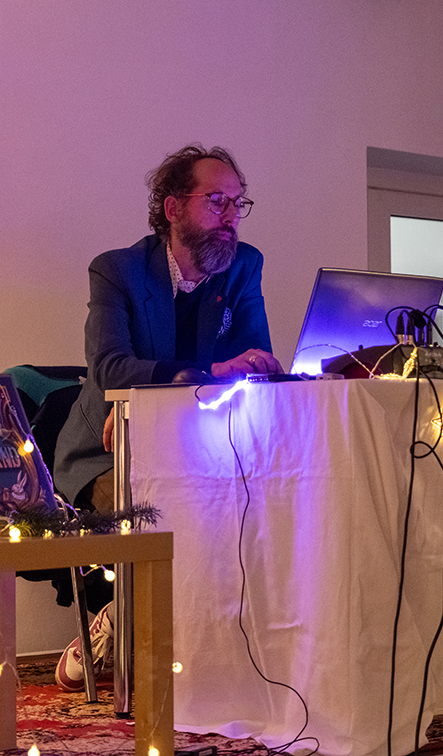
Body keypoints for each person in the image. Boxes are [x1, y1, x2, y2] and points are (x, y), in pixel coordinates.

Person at [51, 144, 282, 690]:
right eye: (217, 201)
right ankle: (123, 625)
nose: (231, 216)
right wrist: (207, 374)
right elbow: (111, 368)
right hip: (108, 454)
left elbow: (255, 361)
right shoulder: (119, 271)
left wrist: (249, 368)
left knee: (274, 503)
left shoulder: (243, 266)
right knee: (173, 516)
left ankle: (233, 653)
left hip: (203, 447)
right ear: (173, 208)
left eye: (238, 203)